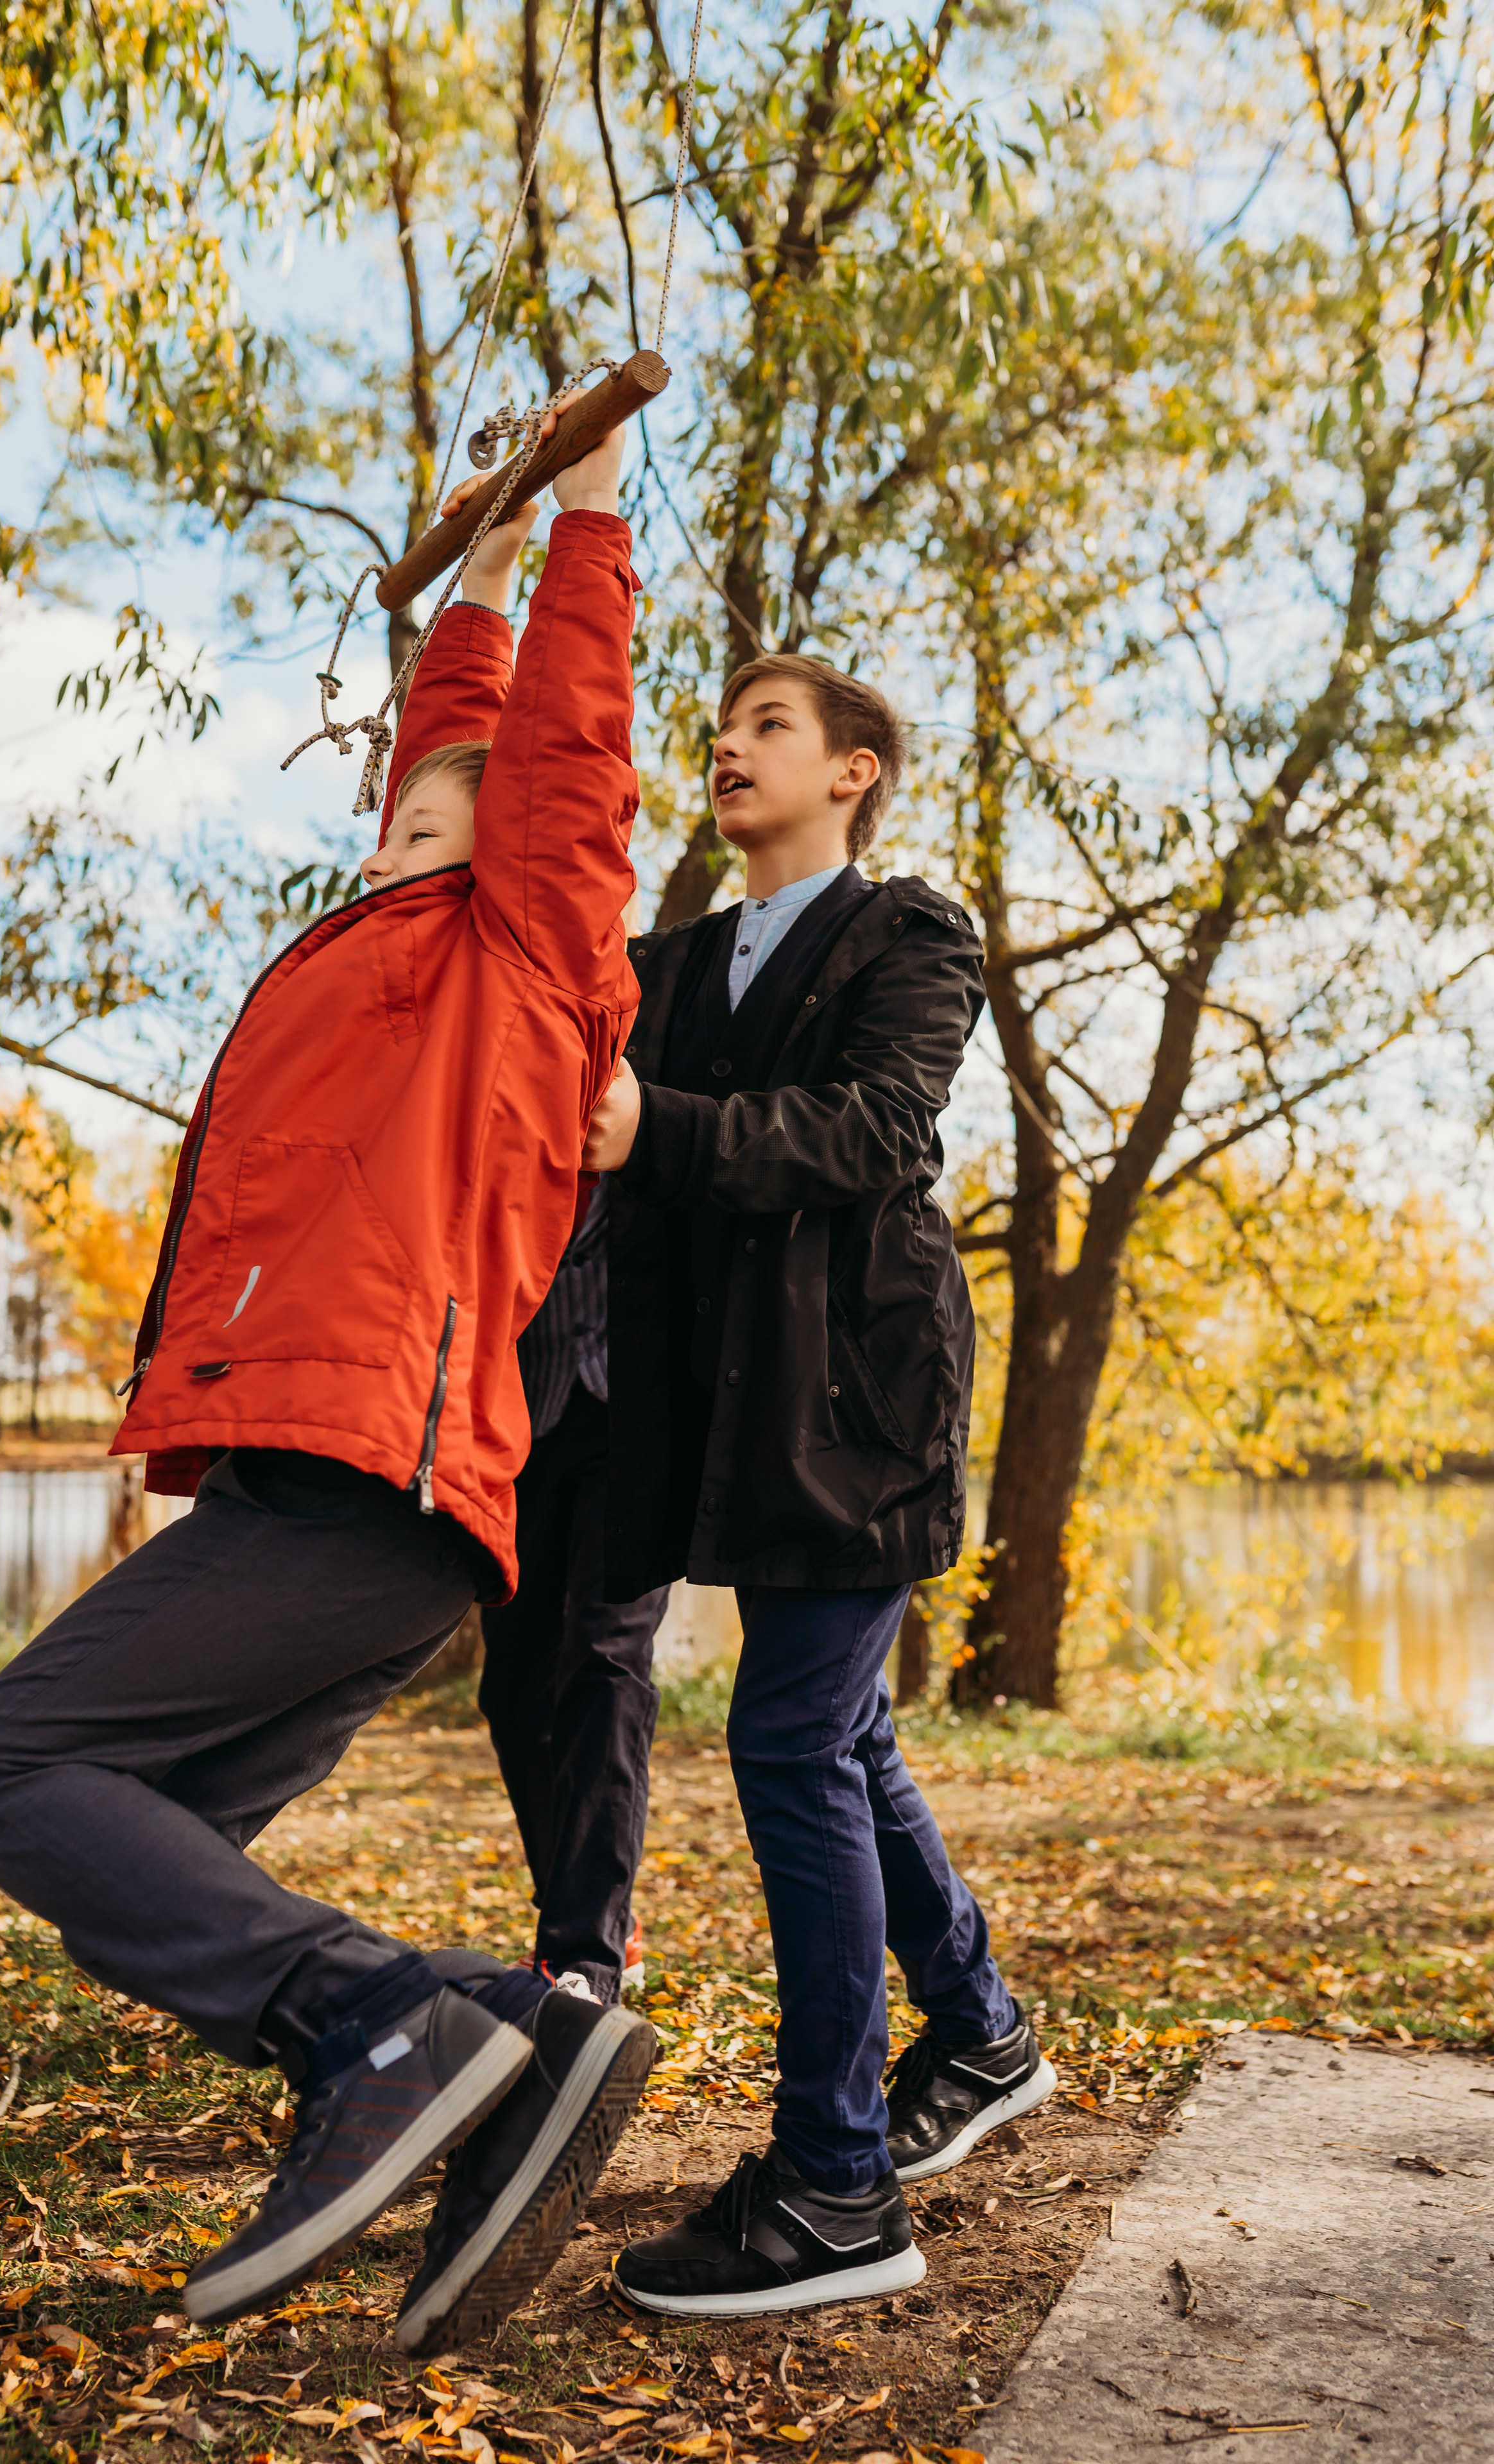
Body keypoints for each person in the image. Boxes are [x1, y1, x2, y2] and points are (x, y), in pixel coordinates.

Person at [0, 407, 657, 2359]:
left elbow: (560, 767)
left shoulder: (522, 944)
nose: (401, 827)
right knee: (127, 1857)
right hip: (322, 1497)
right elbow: (456, 744)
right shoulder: (398, 929)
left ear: (513, 852)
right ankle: (510, 2028)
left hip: (370, 1477)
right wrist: (479, 577)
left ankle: (380, 2024)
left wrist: (586, 525)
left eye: (441, 814)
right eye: (407, 809)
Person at [583, 653, 1056, 2318]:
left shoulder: (910, 934)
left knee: (790, 1736)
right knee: (840, 1728)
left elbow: (875, 1132)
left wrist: (661, 1134)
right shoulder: (667, 964)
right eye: (724, 724)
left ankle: (841, 2184)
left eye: (769, 725)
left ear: (854, 773)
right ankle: (981, 2029)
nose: (726, 742)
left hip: (863, 1397)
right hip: (724, 1413)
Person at [478, 1170, 670, 2006]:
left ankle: (584, 1951)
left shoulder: (670, 1062)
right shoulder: (511, 1078)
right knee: (513, 1688)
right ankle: (584, 1908)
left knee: (606, 1656)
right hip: (526, 1415)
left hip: (640, 1416)